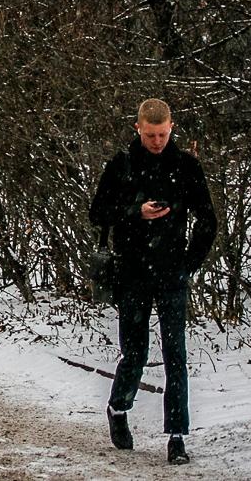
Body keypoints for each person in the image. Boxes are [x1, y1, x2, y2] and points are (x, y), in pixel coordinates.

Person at [89, 98, 216, 466]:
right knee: (136, 351)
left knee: (176, 355)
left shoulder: (186, 166)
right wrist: (135, 212)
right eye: (150, 135)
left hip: (172, 271)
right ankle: (119, 406)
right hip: (132, 273)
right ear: (138, 129)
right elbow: (98, 213)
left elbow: (207, 219)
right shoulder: (122, 164)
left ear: (172, 128)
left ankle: (177, 437)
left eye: (162, 134)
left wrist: (190, 263)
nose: (157, 141)